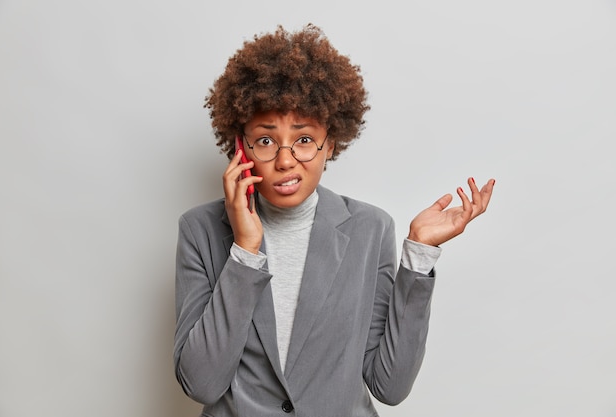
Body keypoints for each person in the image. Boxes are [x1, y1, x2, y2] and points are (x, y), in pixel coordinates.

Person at [173, 24, 495, 416]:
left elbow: (389, 385)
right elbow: (202, 383)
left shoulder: (371, 229)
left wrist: (420, 256)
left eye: (305, 139)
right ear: (241, 146)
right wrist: (244, 250)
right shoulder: (200, 230)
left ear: (332, 143)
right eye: (266, 140)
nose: (286, 159)